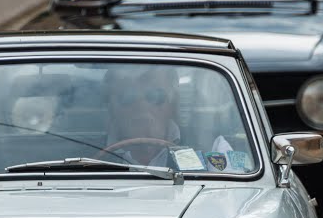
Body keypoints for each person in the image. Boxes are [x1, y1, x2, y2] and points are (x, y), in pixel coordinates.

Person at [102, 64, 245, 172]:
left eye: (155, 96)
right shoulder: (84, 153)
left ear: (173, 102)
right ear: (112, 106)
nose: (142, 106)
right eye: (127, 97)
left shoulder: (211, 145)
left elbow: (230, 198)